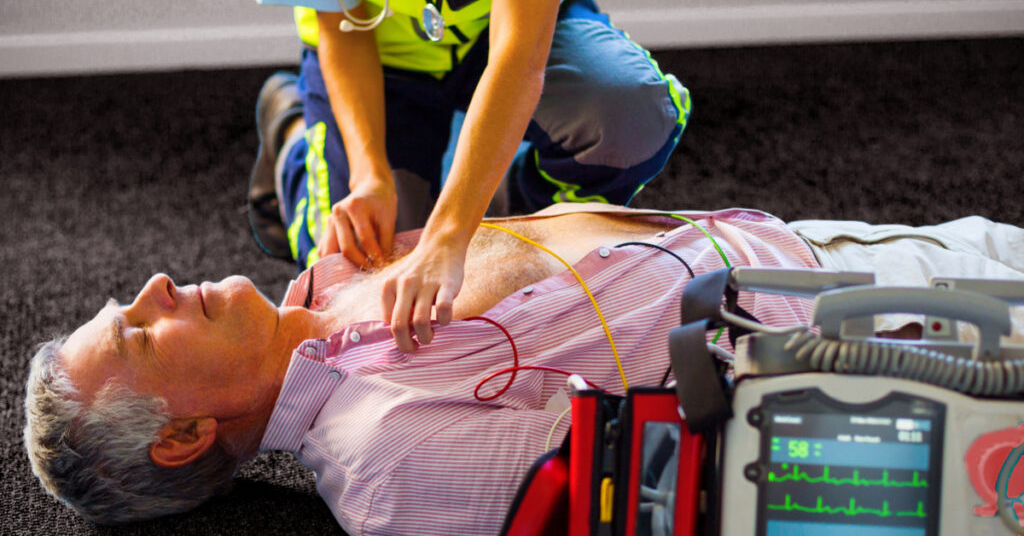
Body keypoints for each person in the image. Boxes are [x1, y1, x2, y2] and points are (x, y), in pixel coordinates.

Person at [24, 204, 1024, 533]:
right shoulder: (384, 454)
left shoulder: (331, 272)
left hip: (795, 243)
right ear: (185, 431)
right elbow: (670, 475)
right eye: (140, 332)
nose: (157, 281)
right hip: (881, 335)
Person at [246, 0, 691, 337]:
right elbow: (343, 22)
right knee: (346, 282)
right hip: (381, 57)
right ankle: (291, 123)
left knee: (631, 117)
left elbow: (518, 59)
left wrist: (448, 236)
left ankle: (504, 205)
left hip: (507, 29)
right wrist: (369, 180)